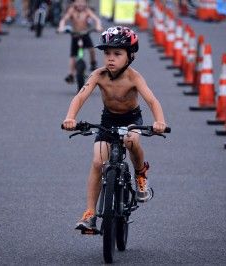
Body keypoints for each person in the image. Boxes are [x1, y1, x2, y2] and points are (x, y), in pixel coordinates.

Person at [61, 26, 167, 230]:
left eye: (117, 54)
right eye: (107, 53)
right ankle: (90, 214)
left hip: (131, 119)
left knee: (132, 141)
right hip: (108, 120)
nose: (110, 58)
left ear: (130, 55)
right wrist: (70, 118)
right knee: (97, 161)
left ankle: (140, 174)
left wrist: (159, 121)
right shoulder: (99, 75)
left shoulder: (134, 77)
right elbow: (81, 96)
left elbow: (152, 100)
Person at [57, 0, 103, 84]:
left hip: (85, 34)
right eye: (78, 2)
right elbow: (63, 20)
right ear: (74, 3)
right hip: (75, 35)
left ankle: (93, 63)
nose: (80, 4)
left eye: (82, 2)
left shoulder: (87, 11)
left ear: (86, 3)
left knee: (92, 49)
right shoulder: (72, 10)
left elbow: (96, 19)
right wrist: (61, 27)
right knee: (73, 56)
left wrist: (98, 26)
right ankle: (71, 74)